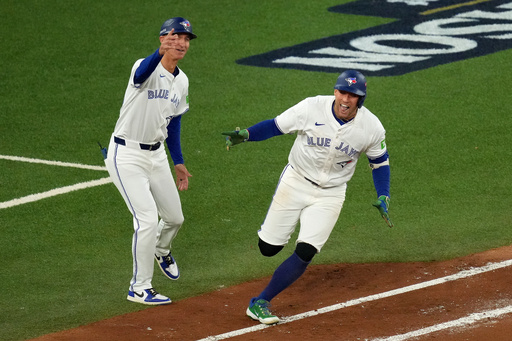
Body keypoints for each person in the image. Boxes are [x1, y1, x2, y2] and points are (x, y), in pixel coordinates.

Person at [222, 70, 393, 324]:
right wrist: (247, 134)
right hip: (295, 181)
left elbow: (380, 163)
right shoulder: (311, 107)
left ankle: (260, 302)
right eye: (342, 92)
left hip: (331, 194)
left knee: (306, 251)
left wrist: (384, 195)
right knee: (268, 249)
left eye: (353, 96)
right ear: (335, 91)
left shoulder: (371, 127)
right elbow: (276, 126)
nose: (346, 100)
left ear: (361, 99)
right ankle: (273, 242)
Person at [104, 17, 197, 305]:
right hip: (126, 154)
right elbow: (141, 75)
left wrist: (178, 161)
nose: (181, 43)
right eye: (176, 37)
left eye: (186, 39)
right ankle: (139, 287)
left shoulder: (181, 81)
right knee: (146, 220)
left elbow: (174, 122)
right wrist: (158, 53)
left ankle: (161, 248)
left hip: (156, 154)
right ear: (162, 39)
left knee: (174, 218)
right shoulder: (142, 66)